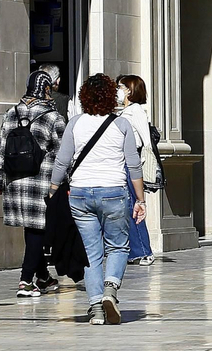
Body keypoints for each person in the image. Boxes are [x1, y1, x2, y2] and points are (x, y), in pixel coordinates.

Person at [52, 74, 146, 325]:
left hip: (80, 192)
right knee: (118, 246)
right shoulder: (121, 125)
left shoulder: (75, 123)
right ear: (110, 97)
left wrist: (52, 187)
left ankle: (95, 309)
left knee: (90, 252)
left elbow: (62, 160)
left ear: (84, 97)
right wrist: (141, 198)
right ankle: (110, 290)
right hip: (113, 191)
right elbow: (133, 165)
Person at [0, 69, 67, 300]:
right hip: (41, 183)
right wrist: (65, 183)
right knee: (38, 230)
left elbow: (0, 149)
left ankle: (43, 277)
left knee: (32, 229)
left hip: (15, 182)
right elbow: (63, 154)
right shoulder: (53, 117)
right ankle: (25, 281)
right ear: (47, 88)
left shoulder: (11, 114)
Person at [116, 75, 158, 267]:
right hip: (121, 164)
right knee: (126, 208)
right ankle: (133, 250)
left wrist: (144, 168)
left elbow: (146, 142)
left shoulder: (135, 111)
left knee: (135, 207)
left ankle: (144, 250)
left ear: (130, 90)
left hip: (130, 165)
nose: (118, 90)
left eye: (121, 87)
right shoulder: (125, 112)